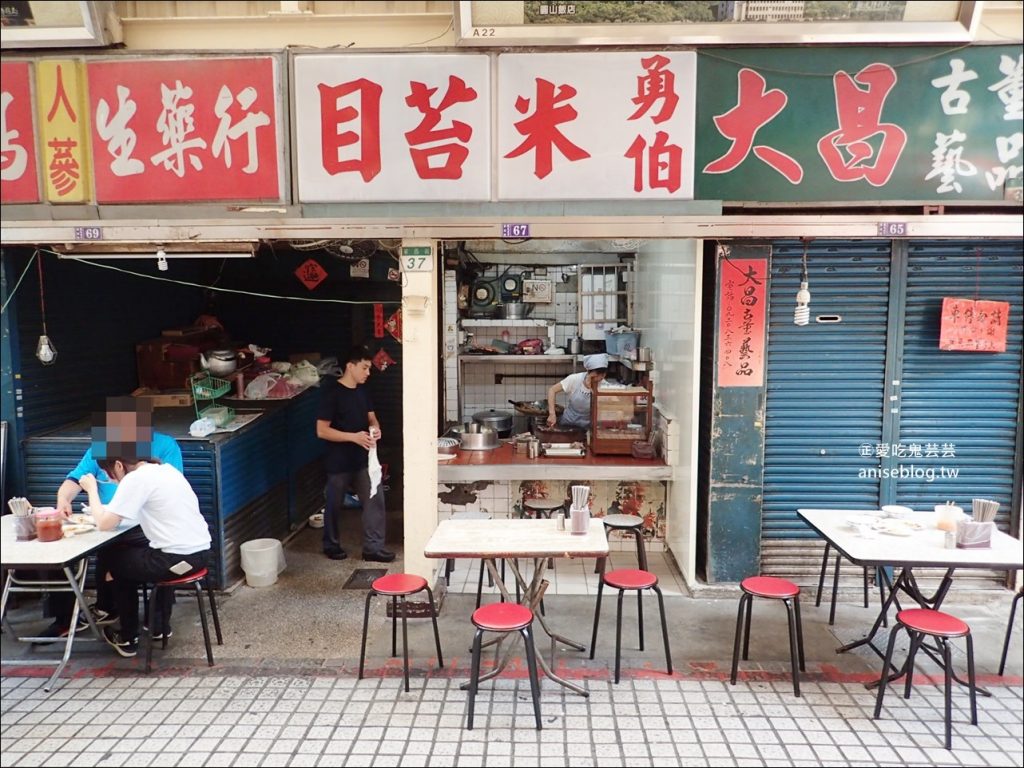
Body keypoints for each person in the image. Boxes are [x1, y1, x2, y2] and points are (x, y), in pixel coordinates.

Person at [37, 398, 184, 641]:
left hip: (145, 523)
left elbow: (170, 487)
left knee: (149, 550)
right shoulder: (102, 447)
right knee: (59, 549)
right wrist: (63, 499)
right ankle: (68, 619)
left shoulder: (164, 446)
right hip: (105, 521)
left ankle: (154, 619)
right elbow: (75, 479)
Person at [79, 451, 211, 658]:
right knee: (131, 558)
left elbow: (104, 524)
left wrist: (92, 490)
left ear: (119, 465)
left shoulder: (136, 479)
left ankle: (128, 636)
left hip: (173, 562)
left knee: (114, 560)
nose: (112, 479)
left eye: (110, 473)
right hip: (201, 555)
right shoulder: (167, 470)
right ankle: (159, 626)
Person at [316, 344, 394, 563]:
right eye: (365, 368)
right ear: (351, 366)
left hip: (363, 460)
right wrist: (353, 437)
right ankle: (330, 544)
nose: (368, 373)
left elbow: (372, 418)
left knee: (375, 499)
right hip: (338, 461)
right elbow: (322, 431)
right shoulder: (332, 394)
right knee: (334, 504)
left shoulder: (363, 391)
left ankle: (373, 548)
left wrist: (375, 429)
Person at [546, 353, 609, 429]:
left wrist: (592, 389)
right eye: (595, 376)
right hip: (567, 422)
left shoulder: (605, 386)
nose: (598, 379)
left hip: (588, 426)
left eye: (602, 376)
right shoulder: (575, 379)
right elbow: (552, 390)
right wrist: (552, 414)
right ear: (588, 371)